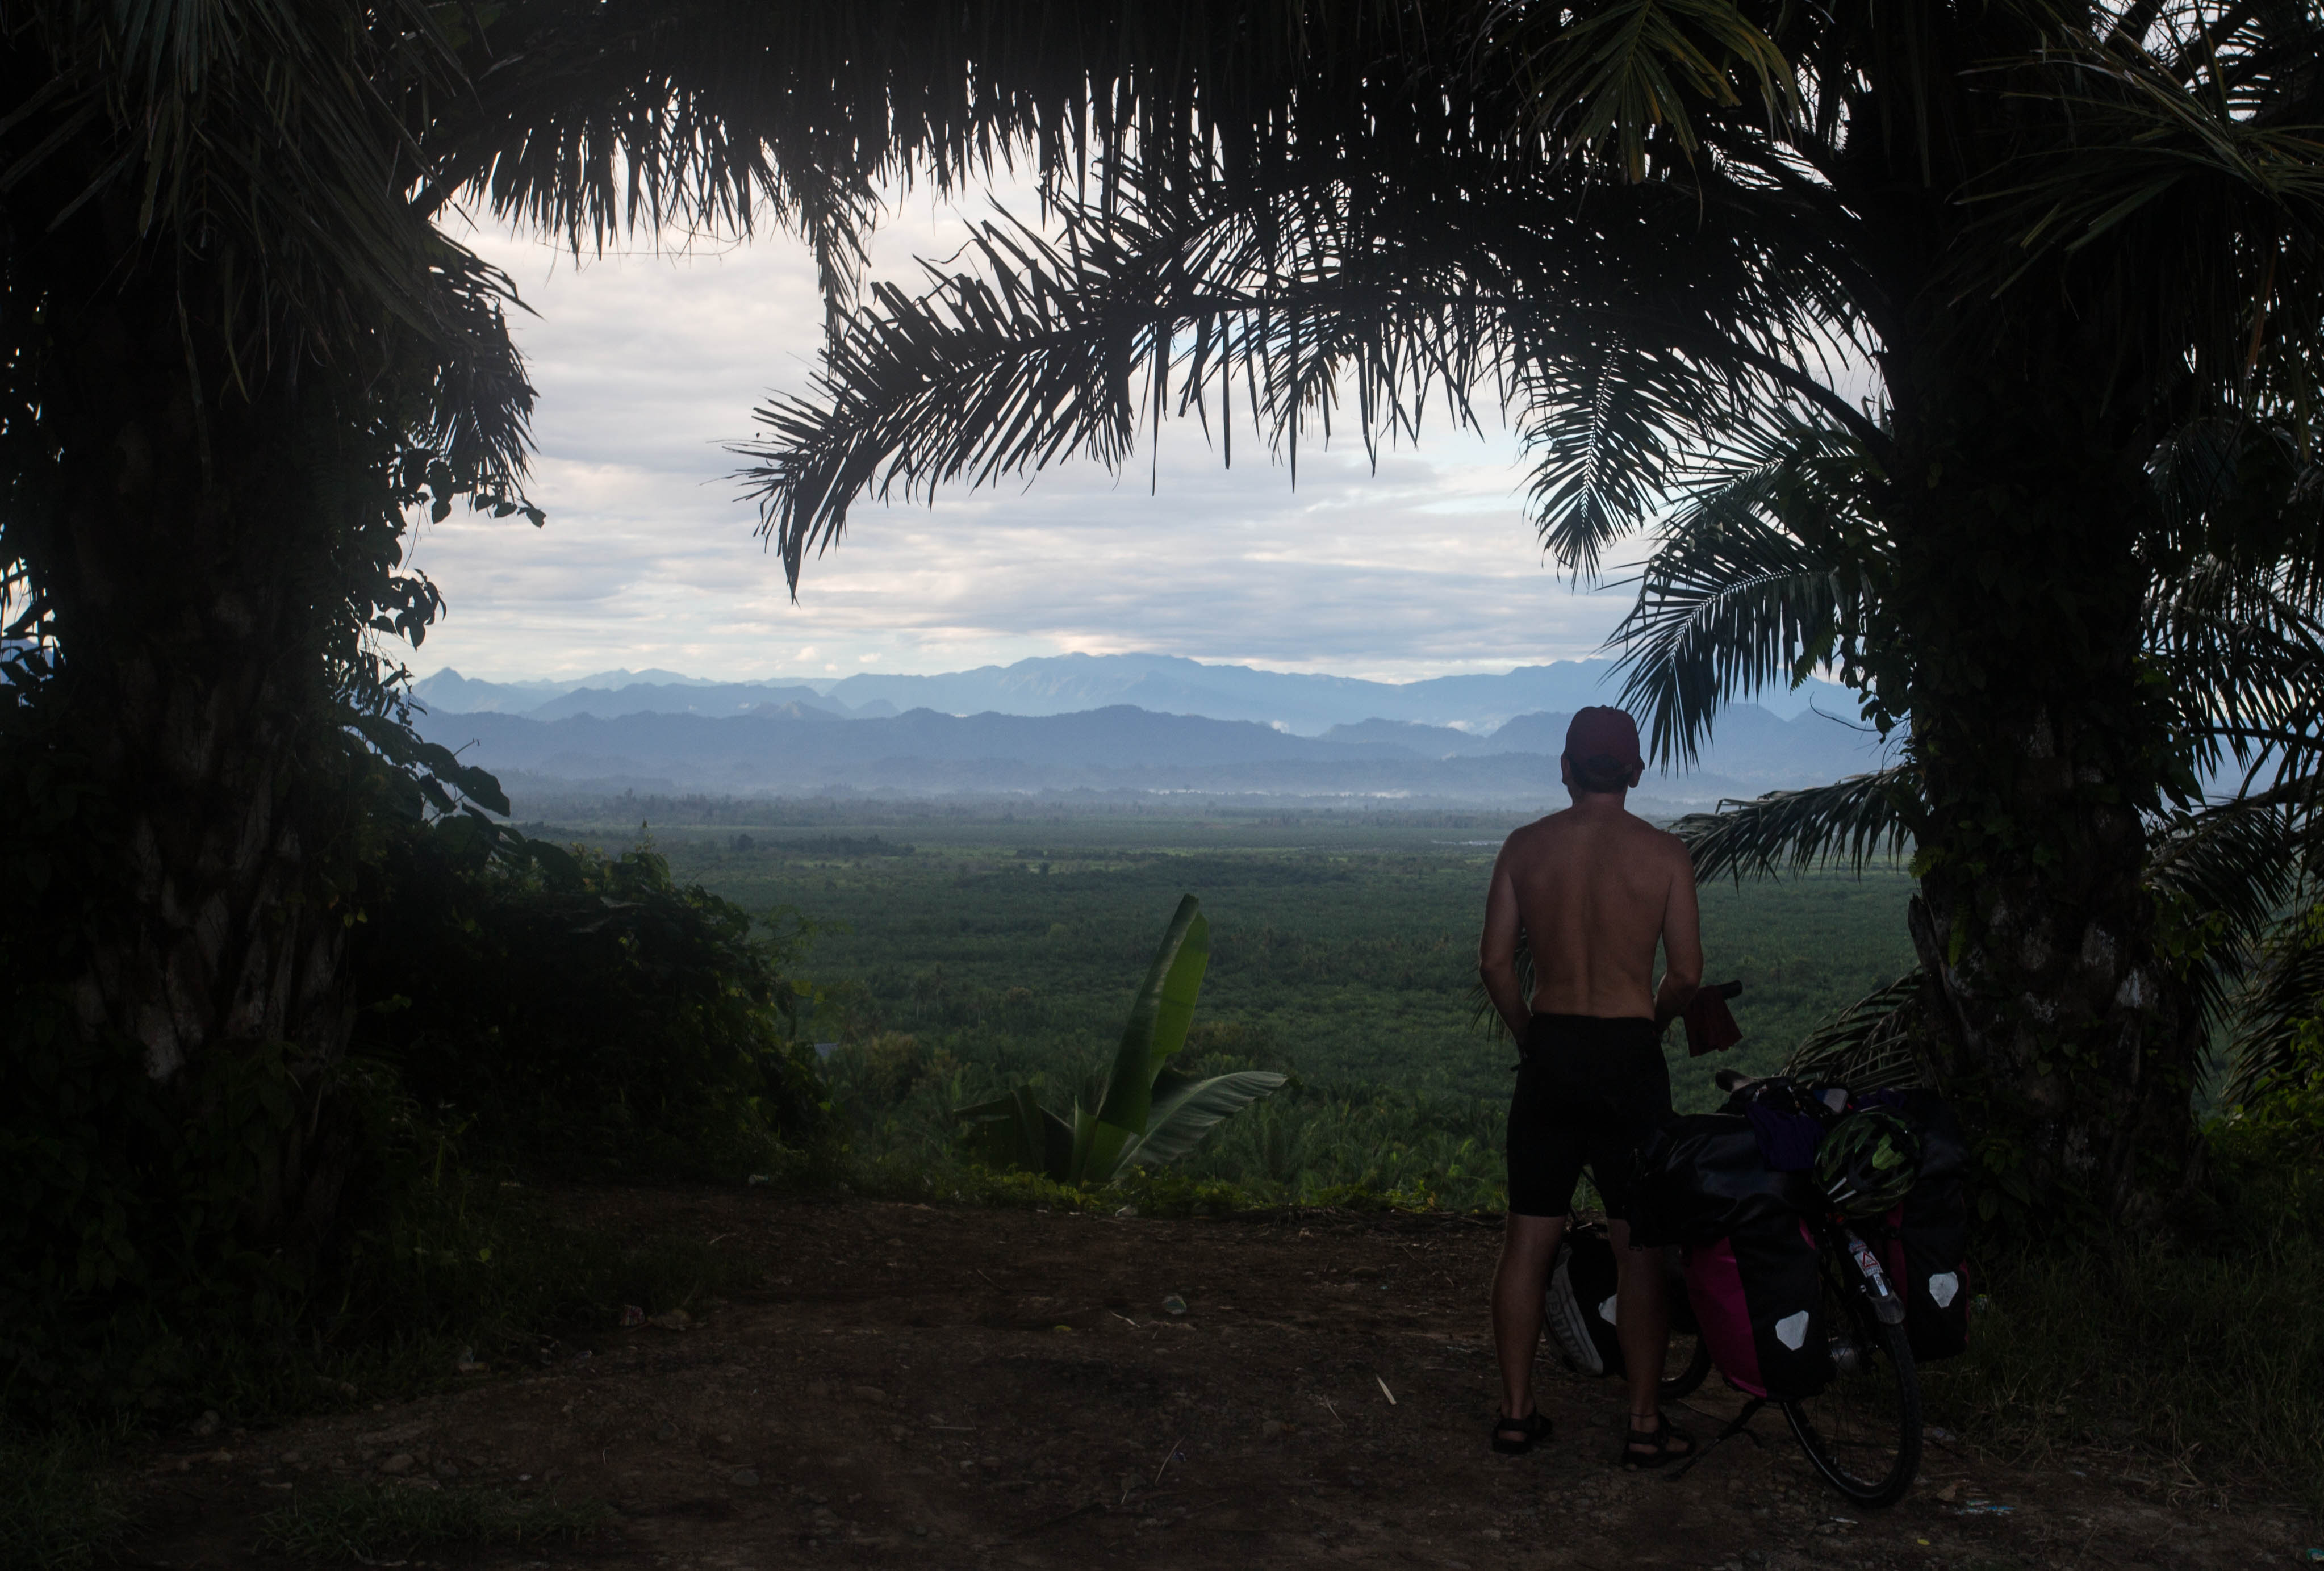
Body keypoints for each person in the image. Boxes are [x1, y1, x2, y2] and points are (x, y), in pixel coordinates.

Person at [1477, 705, 1702, 1465]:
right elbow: (1688, 975)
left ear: (1565, 768)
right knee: (1639, 1247)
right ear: (1636, 771)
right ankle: (1643, 1422)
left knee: (1529, 1239)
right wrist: (1654, 1023)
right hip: (1630, 1056)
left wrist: (1532, 1035)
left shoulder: (1524, 848)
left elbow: (1495, 966)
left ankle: (1515, 1413)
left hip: (1554, 1051)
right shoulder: (1665, 855)